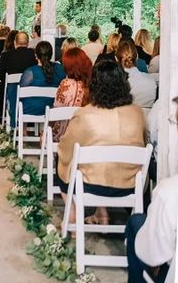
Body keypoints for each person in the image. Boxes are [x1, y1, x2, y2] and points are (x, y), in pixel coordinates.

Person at [58, 56, 146, 226]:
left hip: (92, 184)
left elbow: (65, 149)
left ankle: (74, 214)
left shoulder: (84, 115)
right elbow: (143, 141)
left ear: (94, 85)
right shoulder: (137, 113)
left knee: (62, 161)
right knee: (104, 163)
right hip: (131, 184)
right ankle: (101, 213)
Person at [125, 95, 178, 283]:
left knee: (137, 225)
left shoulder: (170, 193)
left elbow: (153, 254)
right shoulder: (136, 112)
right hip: (131, 180)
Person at [0, 31, 36, 124]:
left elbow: (0, 74)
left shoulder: (6, 55)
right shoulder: (34, 55)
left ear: (15, 43)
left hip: (11, 89)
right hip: (30, 90)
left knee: (0, 85)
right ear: (28, 43)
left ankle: (1, 115)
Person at [52, 48, 92, 141]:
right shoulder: (92, 83)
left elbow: (57, 109)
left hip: (66, 134)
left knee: (45, 134)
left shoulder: (66, 84)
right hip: (87, 134)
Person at [18, 41, 66, 116]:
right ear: (51, 54)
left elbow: (20, 93)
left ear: (36, 55)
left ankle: (27, 127)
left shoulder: (30, 72)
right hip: (53, 109)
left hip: (31, 110)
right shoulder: (60, 69)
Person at [116, 39, 157, 109]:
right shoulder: (151, 81)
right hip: (148, 118)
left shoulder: (115, 83)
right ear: (137, 57)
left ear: (116, 59)